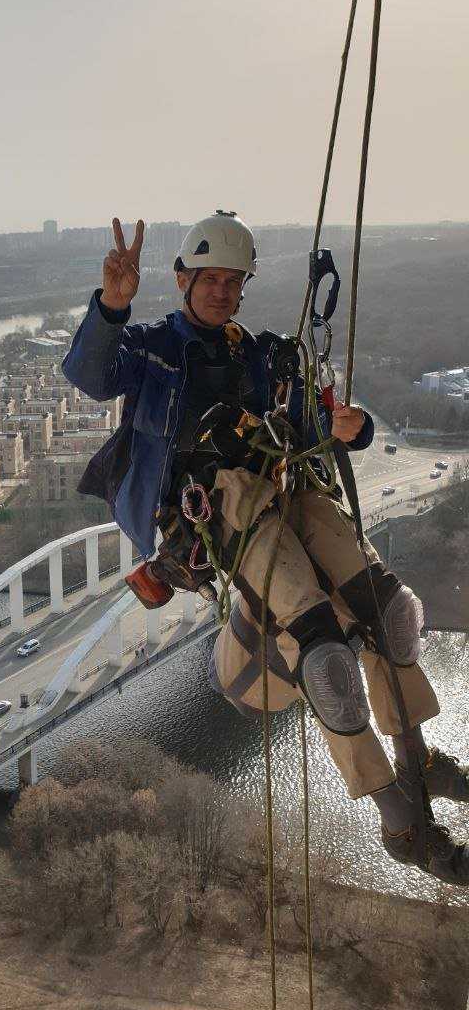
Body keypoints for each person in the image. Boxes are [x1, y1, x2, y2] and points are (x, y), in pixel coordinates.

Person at [62, 211, 469, 885]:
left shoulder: (258, 353)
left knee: (391, 612)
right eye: (209, 279)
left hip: (286, 487)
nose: (221, 291)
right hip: (221, 506)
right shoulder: (156, 349)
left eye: (232, 280)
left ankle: (418, 757)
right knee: (327, 654)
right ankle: (401, 821)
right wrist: (112, 304)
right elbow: (91, 373)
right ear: (184, 280)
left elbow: (311, 425)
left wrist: (353, 426)